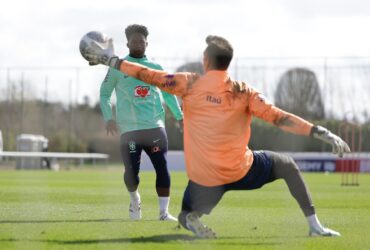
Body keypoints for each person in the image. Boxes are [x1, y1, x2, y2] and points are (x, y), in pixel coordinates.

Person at [87, 34, 350, 238]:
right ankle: (315, 225)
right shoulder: (243, 91)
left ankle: (191, 216)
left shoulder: (189, 83)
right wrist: (319, 131)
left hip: (205, 177)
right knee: (287, 166)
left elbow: (149, 75)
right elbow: (278, 116)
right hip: (241, 169)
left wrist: (113, 61)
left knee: (186, 212)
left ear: (207, 62)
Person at [99, 24, 183, 221]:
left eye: (141, 40)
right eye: (134, 40)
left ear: (147, 43)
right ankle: (134, 199)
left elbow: (169, 93)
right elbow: (104, 94)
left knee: (162, 167)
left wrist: (179, 117)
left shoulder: (156, 68)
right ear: (127, 43)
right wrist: (108, 118)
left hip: (155, 127)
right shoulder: (117, 67)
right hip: (129, 130)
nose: (138, 43)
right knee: (131, 173)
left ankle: (163, 213)